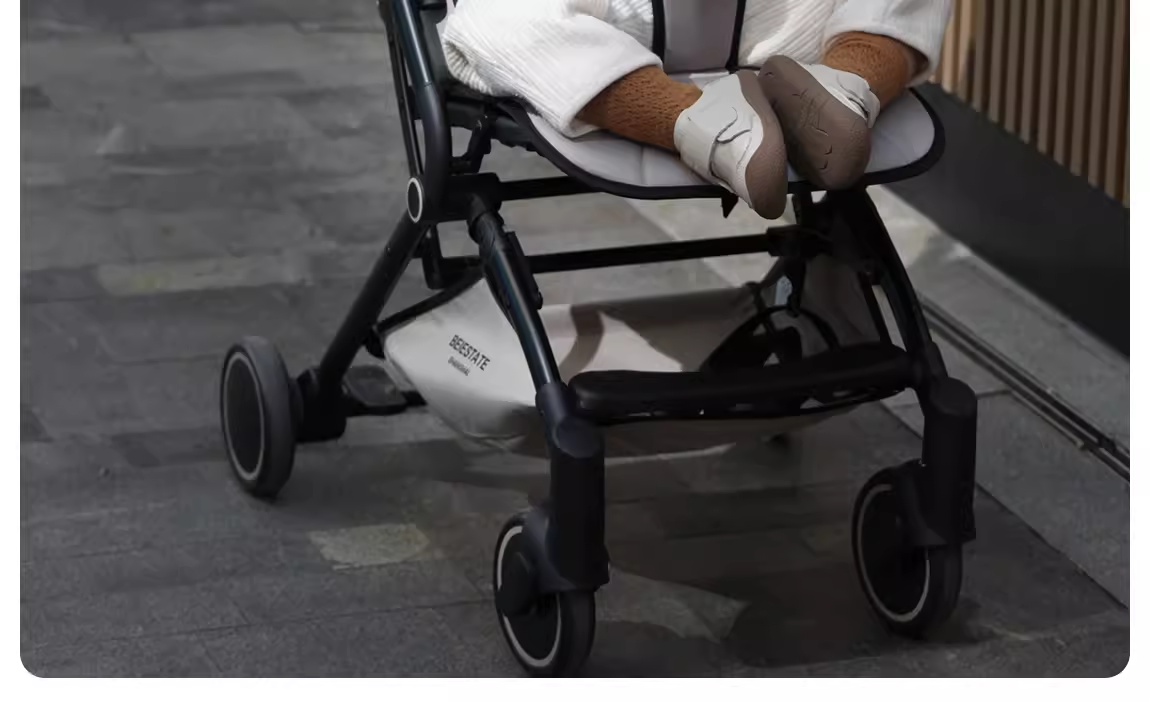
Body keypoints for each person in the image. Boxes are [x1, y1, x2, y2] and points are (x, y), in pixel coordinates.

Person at [439, 0, 952, 219]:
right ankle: (699, 118)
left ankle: (843, 86)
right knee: (493, 18)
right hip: (618, 23)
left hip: (770, 29)